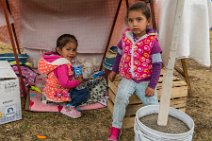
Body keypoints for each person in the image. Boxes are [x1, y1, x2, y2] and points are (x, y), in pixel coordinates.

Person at [107, 2, 162, 140]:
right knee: (120, 97)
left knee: (153, 106)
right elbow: (119, 54)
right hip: (128, 78)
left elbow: (157, 65)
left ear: (148, 21)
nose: (134, 24)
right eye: (131, 20)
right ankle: (115, 128)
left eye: (139, 19)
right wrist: (114, 71)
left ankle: (154, 131)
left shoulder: (152, 42)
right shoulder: (126, 38)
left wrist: (152, 85)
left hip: (145, 81)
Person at [38, 34, 89, 118]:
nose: (72, 52)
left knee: (80, 87)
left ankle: (53, 100)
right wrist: (78, 81)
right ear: (59, 50)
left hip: (51, 89)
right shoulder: (62, 65)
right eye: (68, 49)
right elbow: (65, 83)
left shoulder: (58, 60)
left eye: (74, 49)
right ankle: (68, 107)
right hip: (59, 92)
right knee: (84, 92)